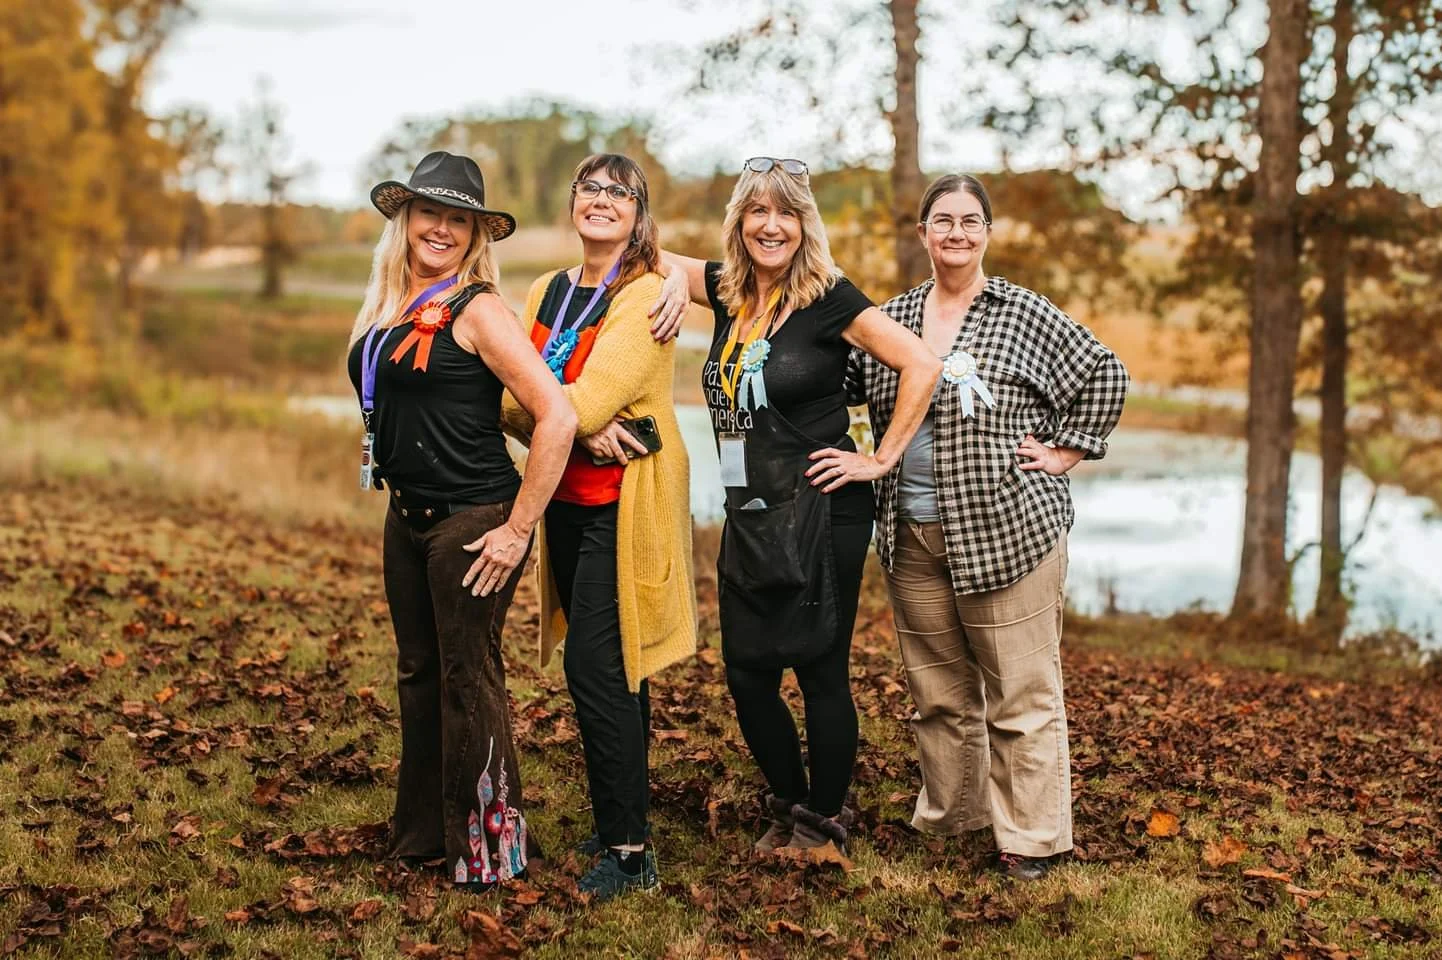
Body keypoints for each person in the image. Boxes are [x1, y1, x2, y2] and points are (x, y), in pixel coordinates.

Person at [847, 174, 1129, 880]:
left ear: (988, 233)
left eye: (971, 221)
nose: (957, 234)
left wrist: (1065, 451)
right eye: (943, 220)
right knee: (938, 695)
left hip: (1010, 534)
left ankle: (1033, 839)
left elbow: (1105, 373)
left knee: (1020, 697)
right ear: (922, 233)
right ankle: (954, 814)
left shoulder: (1023, 314)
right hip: (913, 536)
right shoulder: (891, 318)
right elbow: (836, 379)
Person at [663, 157, 939, 855]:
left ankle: (822, 823)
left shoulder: (830, 298)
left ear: (804, 225)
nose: (771, 224)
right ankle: (786, 802)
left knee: (819, 667)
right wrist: (668, 279)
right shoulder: (727, 291)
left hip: (824, 509)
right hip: (751, 509)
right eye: (757, 211)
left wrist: (878, 459)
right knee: (746, 672)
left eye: (786, 212)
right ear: (740, 223)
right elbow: (641, 252)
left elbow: (923, 364)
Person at [346, 151, 577, 890]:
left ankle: (488, 852)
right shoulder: (387, 302)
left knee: (465, 678)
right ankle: (419, 838)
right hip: (405, 517)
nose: (440, 228)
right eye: (429, 212)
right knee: (418, 674)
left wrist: (516, 529)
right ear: (404, 219)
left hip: (474, 520)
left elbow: (556, 416)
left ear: (475, 234)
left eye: (458, 218)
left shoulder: (478, 308)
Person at [500, 154, 696, 902]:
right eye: (590, 187)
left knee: (597, 667)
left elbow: (574, 400)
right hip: (569, 502)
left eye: (620, 191)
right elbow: (507, 400)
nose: (602, 199)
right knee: (615, 673)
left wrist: (567, 418)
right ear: (572, 202)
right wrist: (573, 428)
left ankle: (630, 852)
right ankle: (625, 818)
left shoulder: (646, 294)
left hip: (625, 504)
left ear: (639, 212)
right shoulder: (549, 288)